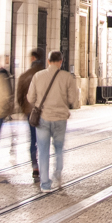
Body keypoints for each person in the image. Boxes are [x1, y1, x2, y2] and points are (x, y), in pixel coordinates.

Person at [26, 50, 79, 193]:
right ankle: (58, 173)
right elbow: (73, 99)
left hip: (43, 117)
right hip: (60, 118)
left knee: (43, 151)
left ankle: (45, 184)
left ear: (48, 61)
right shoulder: (67, 77)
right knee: (59, 148)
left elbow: (30, 98)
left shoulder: (38, 76)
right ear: (61, 62)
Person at [16, 49, 46, 178]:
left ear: (33, 58)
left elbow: (19, 97)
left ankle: (35, 166)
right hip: (46, 111)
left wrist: (25, 109)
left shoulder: (24, 76)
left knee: (33, 139)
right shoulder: (47, 75)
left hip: (31, 113)